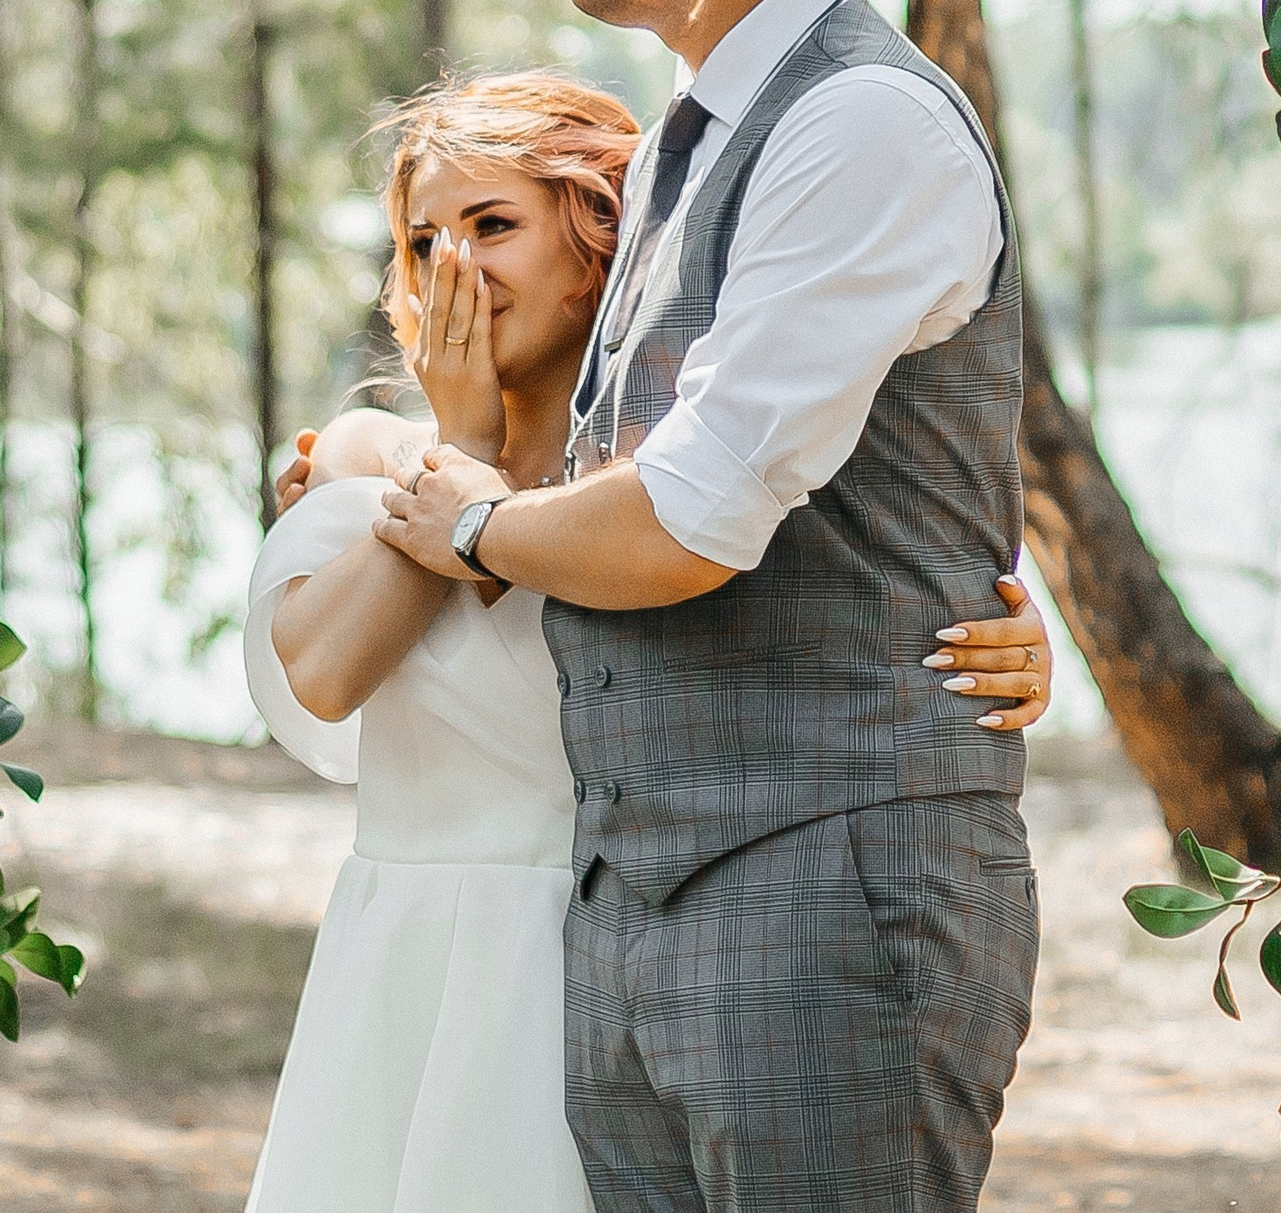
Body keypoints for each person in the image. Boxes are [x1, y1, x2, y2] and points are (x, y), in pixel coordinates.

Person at [359, 0, 1042, 1212]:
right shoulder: (688, 132)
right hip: (644, 903)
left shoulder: (861, 124)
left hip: (825, 892)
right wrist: (373, 457)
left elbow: (688, 517)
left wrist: (464, 520)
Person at [242, 73, 1049, 1212]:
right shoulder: (362, 469)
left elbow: (829, 595)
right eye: (424, 238)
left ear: (598, 240)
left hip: (620, 977)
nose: (454, 266)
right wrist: (454, 445)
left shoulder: (665, 510)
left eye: (493, 225)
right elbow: (321, 674)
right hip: (406, 986)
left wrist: (1012, 633)